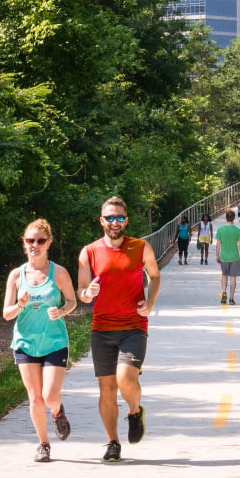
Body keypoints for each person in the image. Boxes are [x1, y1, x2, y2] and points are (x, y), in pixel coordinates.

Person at [77, 196, 162, 463]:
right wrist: (87, 293)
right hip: (101, 328)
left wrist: (149, 302)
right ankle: (113, 442)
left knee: (125, 379)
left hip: (133, 326)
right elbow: (82, 292)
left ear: (126, 220)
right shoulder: (88, 252)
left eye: (119, 217)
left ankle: (135, 411)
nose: (115, 222)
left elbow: (155, 276)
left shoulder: (140, 247)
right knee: (106, 388)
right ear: (102, 221)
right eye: (110, 217)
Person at [2, 219, 76, 462]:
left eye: (40, 241)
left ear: (49, 243)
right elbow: (6, 314)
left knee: (50, 396)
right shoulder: (16, 275)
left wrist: (62, 311)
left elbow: (72, 302)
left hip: (54, 341)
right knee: (34, 398)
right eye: (30, 240)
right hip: (25, 343)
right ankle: (43, 444)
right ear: (24, 243)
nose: (35, 245)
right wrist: (20, 304)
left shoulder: (59, 272)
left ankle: (57, 411)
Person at [214, 209, 240, 305]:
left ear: (226, 218)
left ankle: (224, 292)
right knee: (233, 277)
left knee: (224, 275)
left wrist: (217, 255)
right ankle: (231, 298)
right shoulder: (237, 230)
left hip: (224, 256)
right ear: (234, 218)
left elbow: (218, 244)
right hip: (234, 257)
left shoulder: (220, 229)